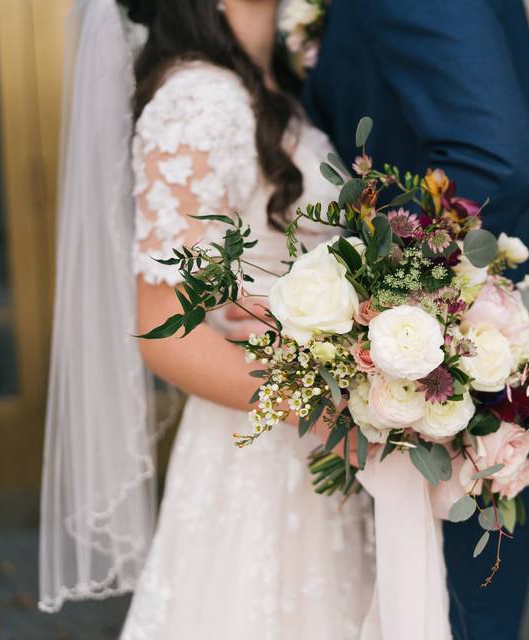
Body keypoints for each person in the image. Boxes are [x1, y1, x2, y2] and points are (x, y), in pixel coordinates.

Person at [39, 1, 373, 637]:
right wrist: (326, 401)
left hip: (315, 442)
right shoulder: (200, 101)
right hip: (265, 441)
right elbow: (167, 336)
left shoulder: (272, 82)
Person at [301, 1, 529, 638]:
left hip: (462, 375)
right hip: (452, 375)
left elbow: (495, 162)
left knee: (453, 616)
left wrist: (377, 307)